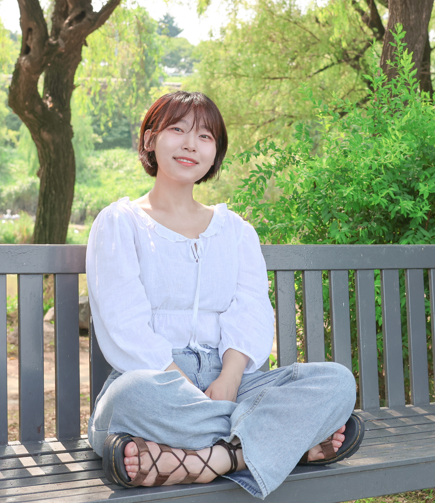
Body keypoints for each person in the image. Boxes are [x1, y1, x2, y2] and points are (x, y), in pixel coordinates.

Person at [86, 91, 362, 499]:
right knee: (132, 396)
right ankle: (283, 443)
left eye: (205, 136)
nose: (190, 144)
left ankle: (205, 461)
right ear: (149, 140)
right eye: (177, 130)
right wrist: (184, 385)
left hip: (231, 379)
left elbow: (250, 311)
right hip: (158, 382)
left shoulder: (235, 231)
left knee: (336, 382)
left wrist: (230, 379)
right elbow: (124, 323)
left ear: (215, 153)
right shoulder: (120, 223)